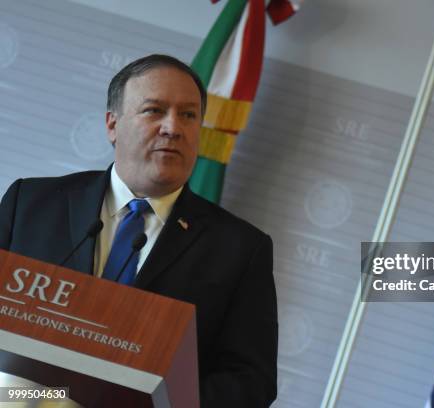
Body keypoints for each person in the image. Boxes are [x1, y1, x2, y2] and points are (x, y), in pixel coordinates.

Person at [0, 54, 278, 407]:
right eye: (154, 110)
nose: (173, 127)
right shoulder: (32, 202)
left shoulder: (239, 248)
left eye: (189, 115)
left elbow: (251, 382)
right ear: (112, 125)